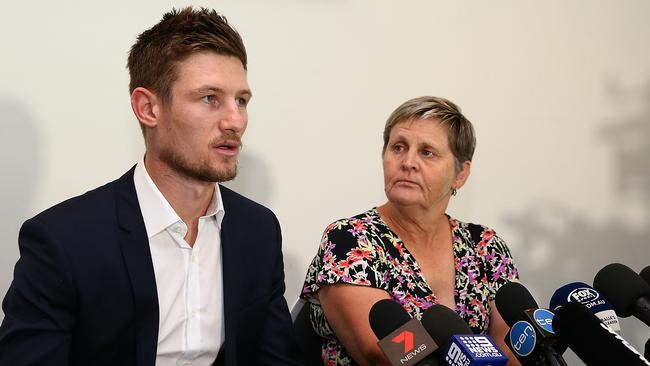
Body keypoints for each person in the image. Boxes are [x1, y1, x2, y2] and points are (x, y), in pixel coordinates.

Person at [0, 7, 301, 366]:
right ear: (148, 108)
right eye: (210, 98)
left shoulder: (258, 229)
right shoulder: (64, 240)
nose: (235, 120)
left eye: (241, 100)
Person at [300, 96, 520, 365]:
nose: (408, 162)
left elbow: (513, 348)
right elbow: (380, 356)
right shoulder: (350, 240)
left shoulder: (484, 245)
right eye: (398, 148)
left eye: (427, 152)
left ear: (461, 174)